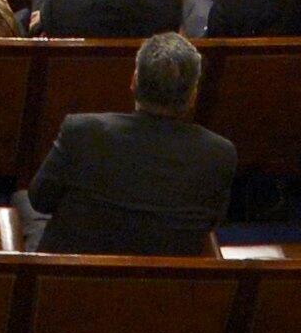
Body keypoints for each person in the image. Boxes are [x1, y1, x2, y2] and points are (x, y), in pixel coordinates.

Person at [21, 29, 236, 253]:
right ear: (192, 96)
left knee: (21, 199)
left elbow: (40, 200)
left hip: (73, 281)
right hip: (165, 285)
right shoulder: (220, 154)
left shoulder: (81, 131)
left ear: (134, 81)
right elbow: (211, 221)